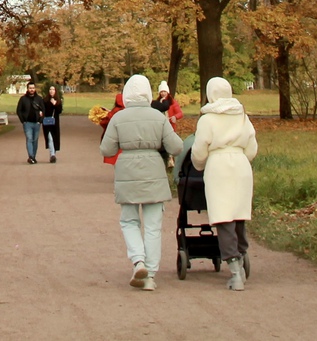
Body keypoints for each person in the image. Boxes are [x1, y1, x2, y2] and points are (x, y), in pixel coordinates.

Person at [99, 74, 183, 291]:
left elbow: (106, 149)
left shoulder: (118, 118)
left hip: (127, 171)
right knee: (154, 225)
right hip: (154, 170)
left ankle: (138, 262)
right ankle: (151, 274)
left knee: (129, 221)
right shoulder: (158, 117)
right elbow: (176, 147)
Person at [190, 76, 258, 291]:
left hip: (218, 166)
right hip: (240, 164)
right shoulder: (242, 116)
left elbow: (199, 150)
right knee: (239, 214)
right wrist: (239, 158)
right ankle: (242, 251)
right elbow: (252, 148)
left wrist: (199, 165)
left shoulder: (208, 119)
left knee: (223, 216)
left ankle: (235, 269)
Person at [16, 82, 46, 163]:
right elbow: (19, 110)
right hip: (27, 123)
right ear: (27, 89)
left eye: (33, 88)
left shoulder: (39, 99)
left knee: (35, 140)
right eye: (30, 88)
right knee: (29, 139)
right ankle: (31, 156)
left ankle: (33, 157)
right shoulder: (23, 99)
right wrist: (23, 121)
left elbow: (43, 110)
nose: (31, 89)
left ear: (35, 89)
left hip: (37, 123)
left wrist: (40, 121)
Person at [40, 84, 63, 162]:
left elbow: (59, 111)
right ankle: (52, 155)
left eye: (53, 89)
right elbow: (42, 109)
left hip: (54, 122)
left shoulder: (58, 101)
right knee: (49, 138)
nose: (51, 91)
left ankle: (53, 155)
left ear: (55, 91)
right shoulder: (45, 100)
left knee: (54, 138)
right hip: (46, 122)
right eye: (50, 89)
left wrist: (55, 104)